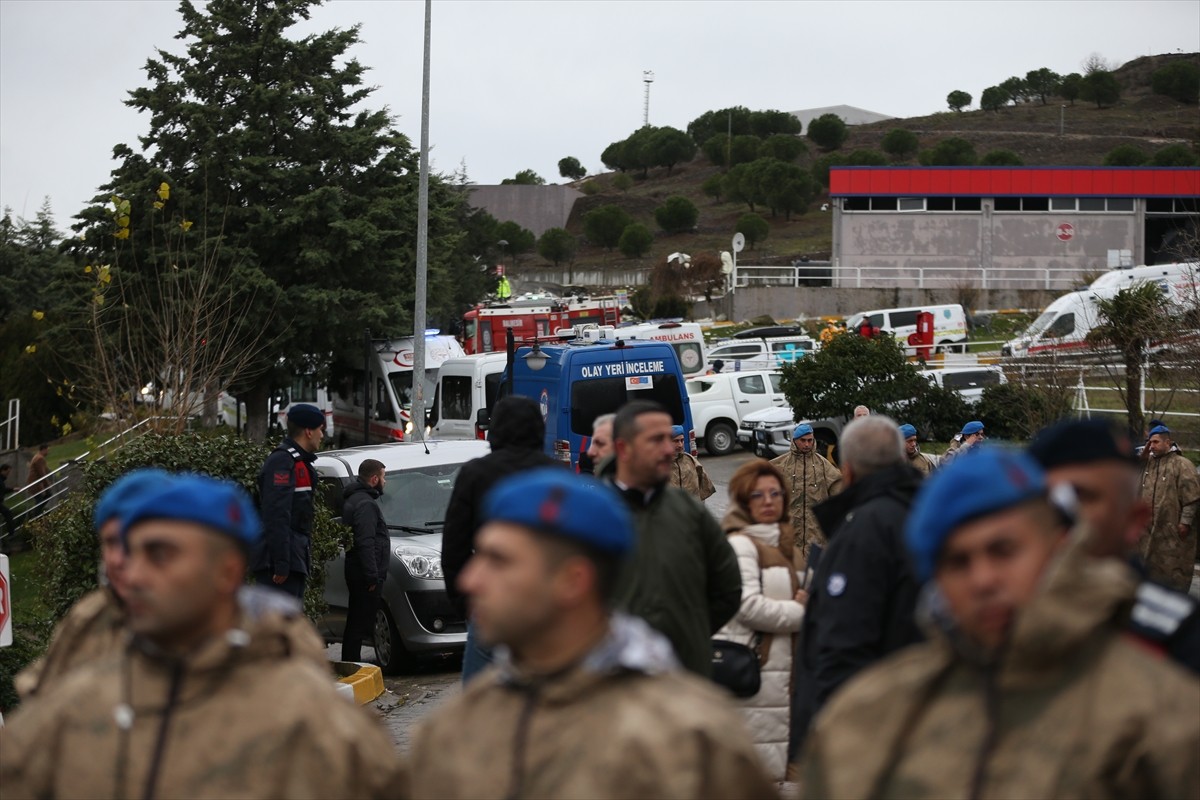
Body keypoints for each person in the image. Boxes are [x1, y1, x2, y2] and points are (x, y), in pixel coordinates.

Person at [797, 447, 1200, 799]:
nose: (983, 580)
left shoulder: (1160, 718)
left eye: (1003, 550)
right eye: (958, 561)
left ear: (1058, 547)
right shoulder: (869, 716)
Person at [0, 474, 404, 799]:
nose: (131, 572)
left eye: (159, 555)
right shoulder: (74, 704)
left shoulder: (313, 722)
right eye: (122, 548)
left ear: (227, 572)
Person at [409, 468, 777, 800]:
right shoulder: (453, 732)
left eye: (499, 561)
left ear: (573, 581)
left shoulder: (690, 740)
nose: (470, 580)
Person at [789, 416, 923, 760]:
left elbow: (843, 640)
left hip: (869, 730)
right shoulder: (923, 514)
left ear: (846, 471)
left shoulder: (866, 530)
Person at [1029, 418, 1200, 674]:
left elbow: (1192, 499)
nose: (1062, 513)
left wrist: (1184, 523)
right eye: (1047, 497)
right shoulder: (1000, 614)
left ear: (1133, 520)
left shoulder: (1180, 640)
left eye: (1082, 496)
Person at [598, 400, 742, 677]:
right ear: (622, 449)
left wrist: (691, 633)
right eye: (656, 440)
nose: (669, 449)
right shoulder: (590, 512)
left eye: (670, 438)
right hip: (615, 687)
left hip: (685, 676)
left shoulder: (689, 511)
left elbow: (728, 588)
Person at [14, 468, 174, 699]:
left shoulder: (202, 618)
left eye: (131, 542)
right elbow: (37, 688)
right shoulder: (88, 616)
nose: (118, 559)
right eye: (110, 542)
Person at [442, 395, 558, 684]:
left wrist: (468, 603)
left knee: (482, 702)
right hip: (545, 603)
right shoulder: (555, 473)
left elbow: (454, 546)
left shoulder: (474, 474)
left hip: (491, 603)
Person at [713, 459, 806, 780]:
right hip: (756, 675)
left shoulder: (788, 548)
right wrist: (800, 613)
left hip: (787, 677)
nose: (768, 501)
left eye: (775, 493)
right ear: (742, 500)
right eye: (758, 495)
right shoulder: (740, 544)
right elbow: (747, 606)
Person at [253, 402, 323, 599]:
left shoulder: (298, 461)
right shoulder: (283, 462)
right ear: (308, 431)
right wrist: (282, 562)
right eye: (320, 429)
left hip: (293, 558)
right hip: (280, 564)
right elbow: (276, 514)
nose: (322, 435)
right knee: (278, 625)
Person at [1138, 424, 1200, 592]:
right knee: (1148, 571)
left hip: (1172, 531)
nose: (1153, 446)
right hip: (1148, 531)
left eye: (1156, 442)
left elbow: (1192, 498)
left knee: (1173, 573)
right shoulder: (1148, 464)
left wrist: (1185, 522)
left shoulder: (1181, 465)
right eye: (1150, 442)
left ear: (1168, 442)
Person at [771, 422, 841, 567]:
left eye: (810, 440)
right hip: (790, 532)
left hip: (816, 533)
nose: (807, 444)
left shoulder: (823, 465)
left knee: (814, 574)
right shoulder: (781, 465)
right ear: (794, 440)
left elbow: (840, 492)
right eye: (803, 440)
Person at [340, 458, 390, 663]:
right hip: (364, 574)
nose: (385, 482)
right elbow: (365, 541)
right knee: (359, 623)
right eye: (384, 477)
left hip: (358, 570)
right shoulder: (365, 504)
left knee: (357, 621)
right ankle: (352, 664)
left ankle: (352, 663)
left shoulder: (355, 499)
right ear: (374, 478)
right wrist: (372, 577)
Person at [668, 424, 715, 501]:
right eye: (676, 441)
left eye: (682, 440)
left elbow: (705, 489)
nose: (680, 445)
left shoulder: (691, 461)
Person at [26, 442, 50, 512]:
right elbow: (42, 473)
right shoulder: (40, 458)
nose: (48, 452)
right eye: (47, 450)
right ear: (43, 449)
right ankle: (36, 515)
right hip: (35, 483)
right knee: (42, 498)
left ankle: (37, 514)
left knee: (41, 499)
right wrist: (47, 484)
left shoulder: (36, 456)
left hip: (34, 483)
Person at [0, 463, 16, 548]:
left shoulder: (1, 480)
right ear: (3, 470)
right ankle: (11, 533)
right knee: (8, 513)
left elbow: (3, 489)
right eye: (7, 472)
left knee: (7, 512)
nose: (8, 474)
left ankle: (11, 533)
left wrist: (13, 489)